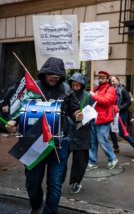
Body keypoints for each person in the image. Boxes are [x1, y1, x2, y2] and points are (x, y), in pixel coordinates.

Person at [12, 57, 82, 213]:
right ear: (44, 73)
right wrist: (13, 122)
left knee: (55, 183)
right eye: (51, 75)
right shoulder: (33, 88)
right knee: (32, 182)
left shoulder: (66, 90)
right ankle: (36, 205)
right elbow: (19, 111)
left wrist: (77, 115)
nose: (54, 78)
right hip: (33, 143)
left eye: (57, 76)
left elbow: (74, 110)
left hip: (59, 142)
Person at [68, 72, 94, 194]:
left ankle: (76, 182)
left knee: (80, 161)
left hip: (82, 133)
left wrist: (89, 119)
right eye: (73, 85)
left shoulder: (87, 97)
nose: (75, 88)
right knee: (61, 160)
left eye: (78, 85)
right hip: (68, 131)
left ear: (82, 85)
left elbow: (92, 112)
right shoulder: (67, 95)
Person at [87, 71, 118, 170]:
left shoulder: (110, 89)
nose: (100, 79)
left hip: (103, 119)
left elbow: (106, 101)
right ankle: (92, 162)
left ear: (107, 79)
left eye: (103, 78)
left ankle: (112, 158)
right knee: (92, 142)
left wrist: (93, 95)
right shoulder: (96, 88)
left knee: (103, 140)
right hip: (94, 118)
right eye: (99, 78)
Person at [109, 75, 134, 157]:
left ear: (118, 81)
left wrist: (119, 108)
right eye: (111, 81)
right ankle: (116, 147)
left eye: (114, 80)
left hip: (121, 113)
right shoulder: (111, 90)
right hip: (113, 113)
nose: (112, 82)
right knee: (111, 131)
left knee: (122, 133)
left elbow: (128, 102)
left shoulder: (122, 90)